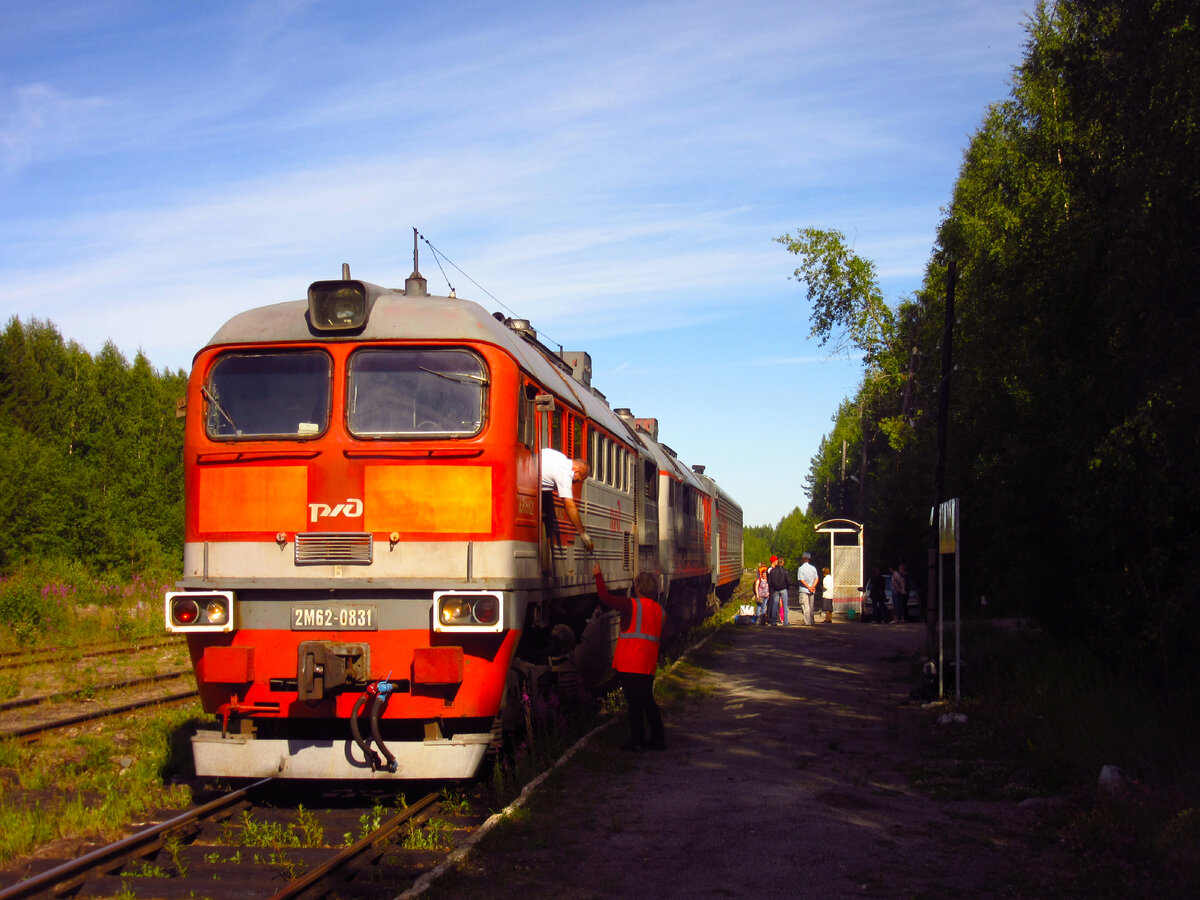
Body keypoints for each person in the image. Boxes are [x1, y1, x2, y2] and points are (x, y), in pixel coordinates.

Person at [593, 562, 666, 751]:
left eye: (637, 584)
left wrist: (598, 576)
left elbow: (604, 597)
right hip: (647, 664)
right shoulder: (659, 610)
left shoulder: (631, 605)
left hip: (631, 663)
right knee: (648, 700)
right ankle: (658, 738)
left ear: (640, 587)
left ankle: (637, 741)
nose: (635, 586)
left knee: (634, 703)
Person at [539, 447, 593, 552]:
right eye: (578, 479)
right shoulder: (565, 473)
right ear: (578, 470)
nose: (575, 482)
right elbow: (569, 505)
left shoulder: (559, 456)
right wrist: (582, 533)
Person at [766, 555, 790, 626]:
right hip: (783, 589)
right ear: (782, 563)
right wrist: (787, 587)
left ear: (777, 562)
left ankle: (773, 621)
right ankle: (785, 622)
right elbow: (789, 581)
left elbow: (769, 582)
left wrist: (773, 587)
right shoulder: (785, 571)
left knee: (774, 605)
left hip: (775, 590)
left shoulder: (772, 571)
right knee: (785, 605)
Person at [797, 551, 818, 626]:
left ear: (802, 560)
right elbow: (816, 578)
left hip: (804, 590)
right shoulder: (813, 568)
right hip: (812, 589)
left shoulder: (800, 569)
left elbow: (802, 580)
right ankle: (812, 620)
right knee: (811, 606)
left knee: (805, 606)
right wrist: (812, 587)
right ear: (808, 560)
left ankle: (807, 621)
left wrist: (808, 587)